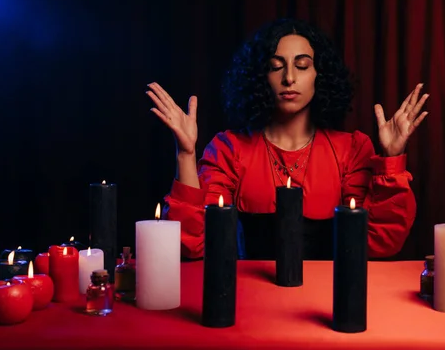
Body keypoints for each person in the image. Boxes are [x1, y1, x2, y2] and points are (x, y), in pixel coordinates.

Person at [146, 18, 429, 260]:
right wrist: (185, 154)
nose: (289, 78)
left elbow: (378, 244)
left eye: (303, 66)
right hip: (250, 304)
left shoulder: (351, 149)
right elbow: (193, 245)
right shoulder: (229, 149)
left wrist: (392, 158)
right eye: (275, 66)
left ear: (321, 75)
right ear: (260, 76)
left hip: (326, 303)